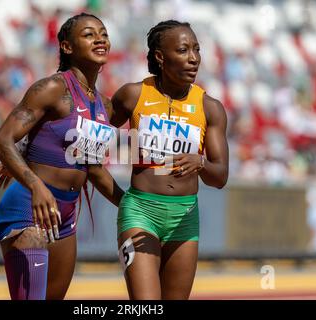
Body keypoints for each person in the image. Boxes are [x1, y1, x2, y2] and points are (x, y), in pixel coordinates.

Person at [0, 12, 123, 300]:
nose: (100, 38)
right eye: (89, 34)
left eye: (103, 33)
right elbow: (1, 141)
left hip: (65, 217)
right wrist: (35, 186)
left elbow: (94, 170)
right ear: (67, 46)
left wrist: (131, 205)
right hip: (29, 206)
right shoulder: (51, 89)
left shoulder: (104, 107)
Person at [109, 20, 229, 300]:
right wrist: (117, 196)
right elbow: (89, 139)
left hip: (184, 217)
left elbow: (220, 176)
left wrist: (200, 163)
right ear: (160, 57)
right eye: (184, 50)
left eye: (197, 49)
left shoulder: (210, 108)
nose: (194, 58)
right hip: (140, 212)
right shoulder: (133, 95)